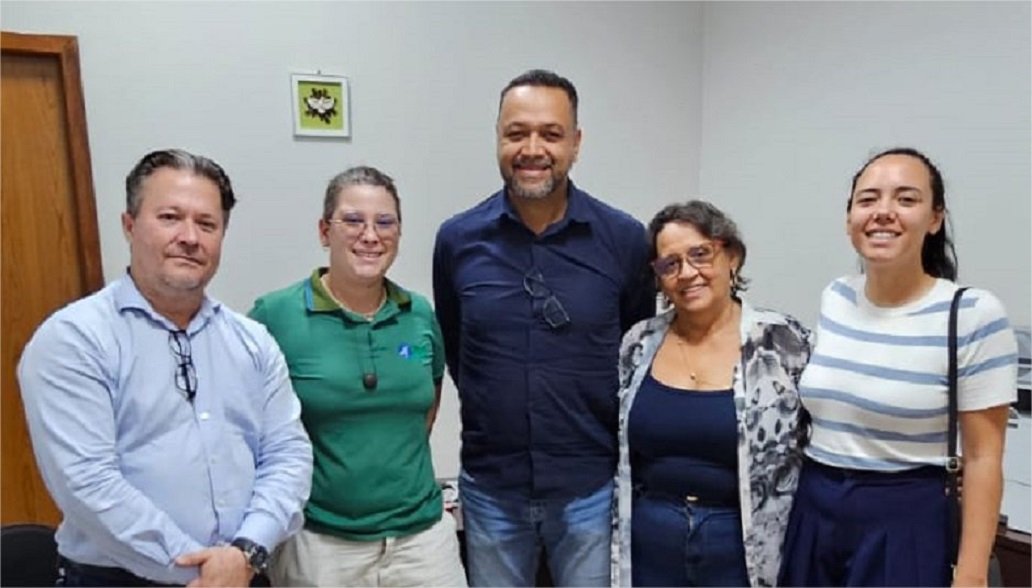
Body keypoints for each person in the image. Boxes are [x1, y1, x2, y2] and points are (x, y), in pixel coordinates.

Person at [16, 149, 313, 587]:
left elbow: (288, 455)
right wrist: (201, 568)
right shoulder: (74, 339)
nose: (190, 237)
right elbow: (89, 484)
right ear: (130, 225)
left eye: (207, 224)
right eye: (170, 217)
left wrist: (246, 552)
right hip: (118, 579)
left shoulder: (252, 342)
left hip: (243, 571)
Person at [432, 69, 656, 587]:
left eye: (550, 134)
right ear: (498, 139)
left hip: (589, 491)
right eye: (517, 133)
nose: (533, 148)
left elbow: (635, 354)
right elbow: (460, 351)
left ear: (576, 144)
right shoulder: (457, 240)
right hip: (491, 491)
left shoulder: (623, 240)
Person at [779, 147, 1018, 587]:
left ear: (935, 219)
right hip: (814, 511)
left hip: (905, 519)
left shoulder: (972, 314)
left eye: (906, 199)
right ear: (849, 217)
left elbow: (985, 458)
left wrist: (971, 573)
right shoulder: (836, 297)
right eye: (868, 199)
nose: (883, 212)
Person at [249, 166, 467, 587]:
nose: (370, 235)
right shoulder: (275, 316)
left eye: (385, 222)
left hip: (421, 539)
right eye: (352, 220)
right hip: (322, 543)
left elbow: (427, 404)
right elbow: (245, 423)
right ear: (323, 230)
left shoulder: (419, 314)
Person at [611, 200, 812, 587]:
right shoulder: (638, 343)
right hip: (652, 540)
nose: (687, 273)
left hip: (743, 544)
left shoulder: (783, 342)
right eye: (669, 264)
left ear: (731, 256)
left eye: (700, 254)